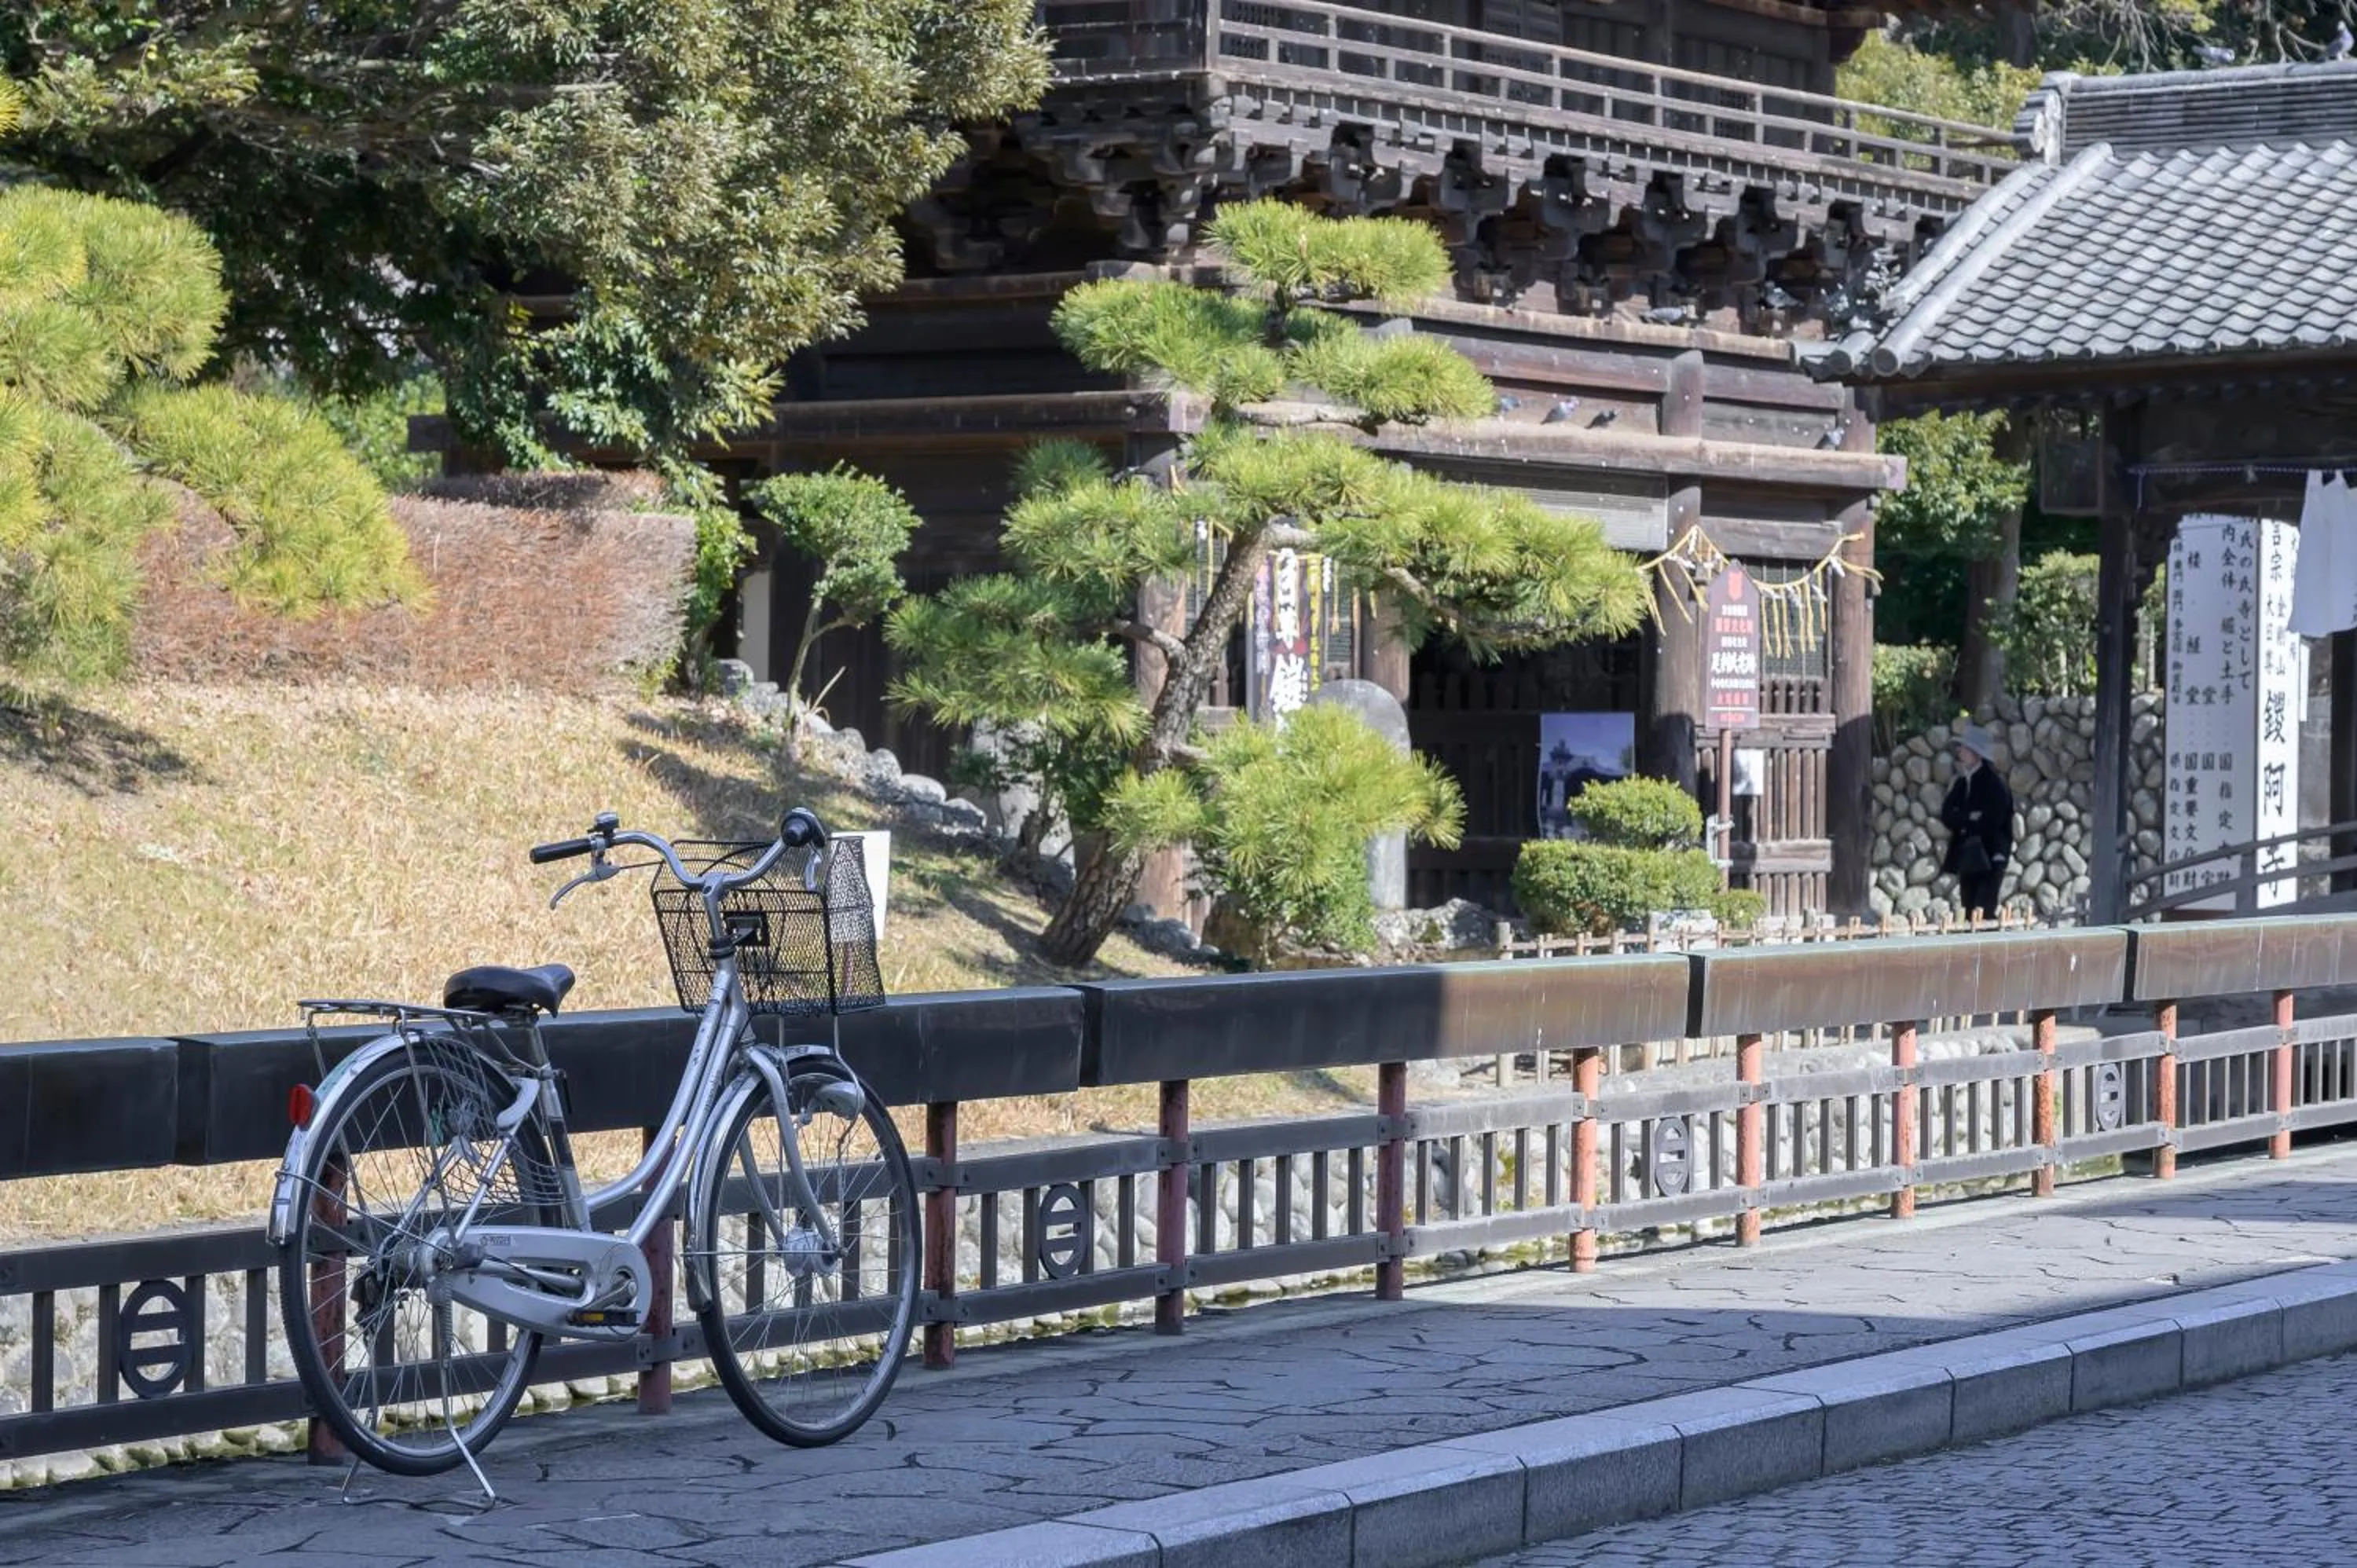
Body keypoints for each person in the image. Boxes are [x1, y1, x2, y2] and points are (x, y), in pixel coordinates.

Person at [1940, 724, 2015, 921]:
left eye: (1965, 748)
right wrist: (1969, 818)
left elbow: (1992, 820)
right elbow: (1946, 814)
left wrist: (1964, 820)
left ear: (1976, 753)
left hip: (1990, 856)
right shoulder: (1962, 783)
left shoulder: (1995, 784)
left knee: (1984, 911)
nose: (1960, 752)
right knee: (1968, 908)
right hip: (1968, 856)